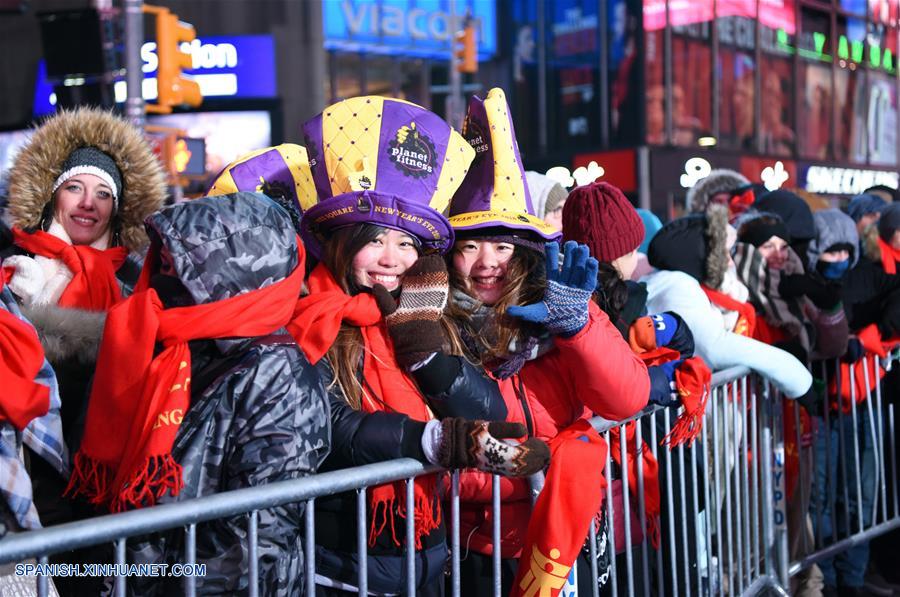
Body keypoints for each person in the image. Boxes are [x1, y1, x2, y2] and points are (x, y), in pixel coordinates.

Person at [287, 96, 548, 596]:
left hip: (428, 554)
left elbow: (489, 404)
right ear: (343, 241)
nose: (393, 258)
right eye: (377, 239)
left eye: (407, 243)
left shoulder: (427, 313)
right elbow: (325, 424)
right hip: (338, 563)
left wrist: (424, 349)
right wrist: (428, 441)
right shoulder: (309, 316)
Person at [65, 191, 331, 595]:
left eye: (180, 264)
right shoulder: (168, 344)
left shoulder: (277, 373)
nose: (162, 275)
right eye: (165, 260)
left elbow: (256, 537)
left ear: (228, 271)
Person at [444, 88, 650, 595]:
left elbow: (627, 398)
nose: (487, 261)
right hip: (482, 550)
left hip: (570, 537)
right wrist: (534, 466)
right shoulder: (429, 325)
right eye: (469, 245)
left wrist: (577, 326)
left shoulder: (561, 304)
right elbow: (432, 459)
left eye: (501, 244)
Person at [0, 108, 166, 543]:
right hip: (30, 470)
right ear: (51, 196)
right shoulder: (14, 270)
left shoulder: (139, 279)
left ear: (120, 208)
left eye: (103, 193)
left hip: (103, 475)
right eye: (74, 187)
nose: (88, 203)